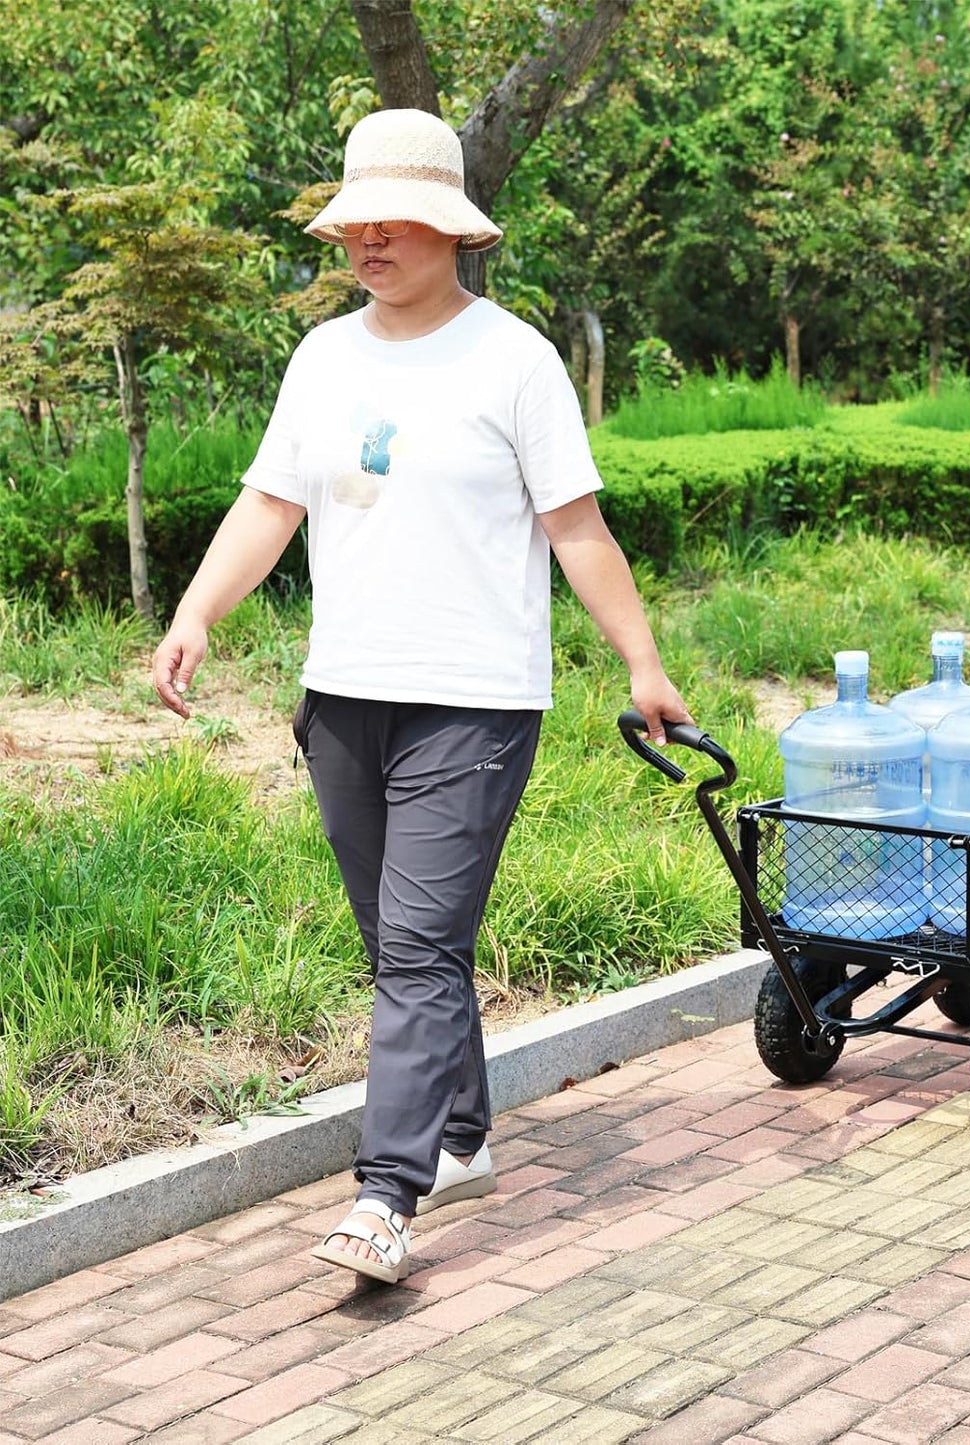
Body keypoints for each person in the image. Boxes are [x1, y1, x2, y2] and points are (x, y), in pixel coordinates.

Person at [152, 108, 692, 1286]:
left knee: (413, 945)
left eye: (394, 221)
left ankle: (387, 1191)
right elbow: (270, 503)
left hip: (474, 702)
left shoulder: (514, 360)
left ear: (452, 229)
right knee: (410, 945)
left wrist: (641, 661)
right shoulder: (322, 357)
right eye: (358, 222)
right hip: (344, 698)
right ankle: (463, 1132)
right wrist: (196, 612)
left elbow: (576, 528)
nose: (370, 240)